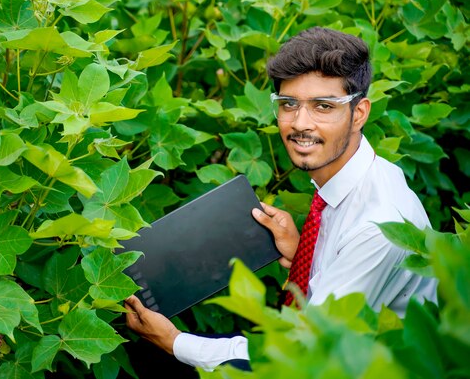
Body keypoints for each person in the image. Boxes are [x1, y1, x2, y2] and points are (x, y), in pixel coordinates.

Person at [124, 27, 438, 371]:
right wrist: (305, 250)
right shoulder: (358, 177)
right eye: (289, 104)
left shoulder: (379, 226)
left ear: (359, 113)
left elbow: (303, 354)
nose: (300, 123)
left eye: (323, 106)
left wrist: (174, 342)